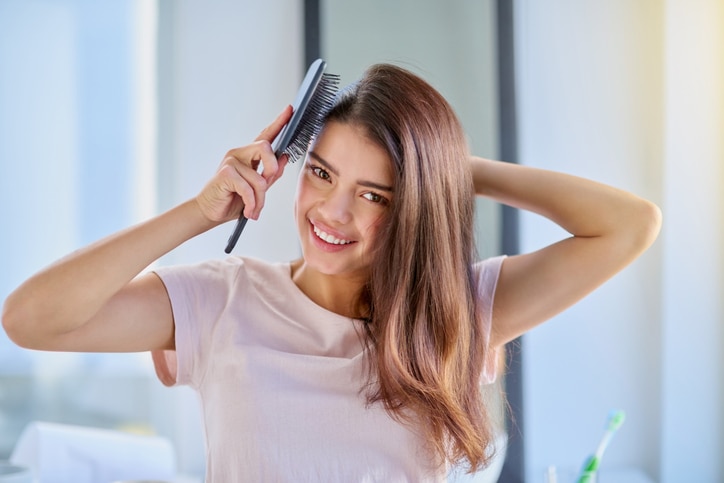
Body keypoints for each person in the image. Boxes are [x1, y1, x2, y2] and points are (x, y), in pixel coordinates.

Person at [2, 64, 661, 481]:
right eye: (321, 173)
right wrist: (199, 212)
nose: (334, 212)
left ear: (412, 208)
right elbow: (30, 318)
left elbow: (630, 225)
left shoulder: (455, 308)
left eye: (376, 194)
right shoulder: (219, 301)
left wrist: (450, 169)